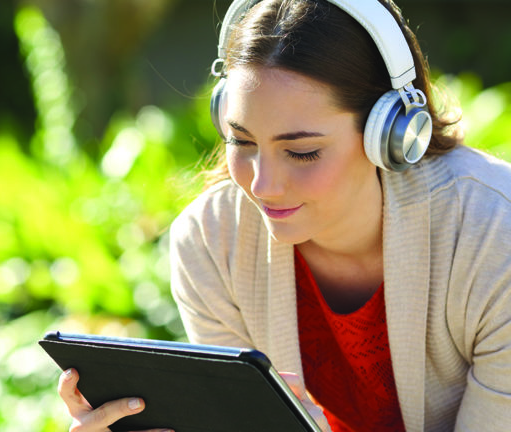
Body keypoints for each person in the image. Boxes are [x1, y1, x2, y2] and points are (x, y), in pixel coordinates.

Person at [57, 0, 511, 431]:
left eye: (302, 152)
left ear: (391, 133)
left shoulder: (494, 234)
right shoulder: (212, 244)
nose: (262, 186)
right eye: (242, 141)